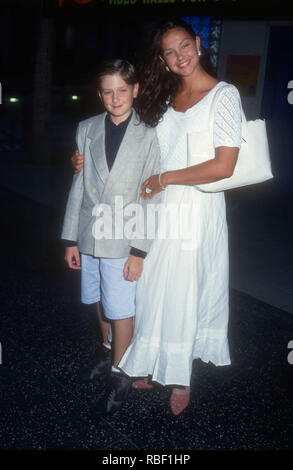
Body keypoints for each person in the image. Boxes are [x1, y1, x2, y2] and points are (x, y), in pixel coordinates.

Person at [72, 19, 242, 416]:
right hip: (153, 208)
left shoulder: (224, 95)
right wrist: (83, 157)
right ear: (163, 59)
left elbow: (224, 166)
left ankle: (181, 377)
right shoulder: (164, 98)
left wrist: (165, 178)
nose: (180, 55)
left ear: (198, 44)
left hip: (195, 208)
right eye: (170, 51)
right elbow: (129, 145)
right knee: (148, 290)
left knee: (183, 290)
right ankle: (148, 361)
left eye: (185, 45)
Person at [61, 59, 160, 414]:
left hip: (124, 235)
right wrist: (70, 238)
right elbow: (79, 185)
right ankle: (108, 352)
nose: (115, 97)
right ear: (99, 94)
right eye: (107, 91)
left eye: (122, 89)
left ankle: (122, 372)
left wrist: (139, 250)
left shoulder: (149, 133)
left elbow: (152, 195)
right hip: (89, 233)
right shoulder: (86, 128)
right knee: (99, 298)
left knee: (121, 308)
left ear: (135, 90)